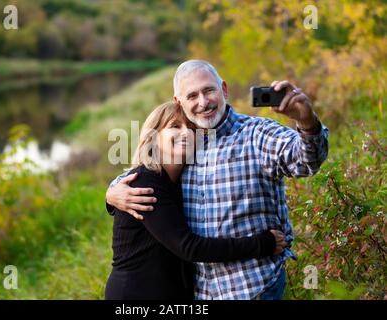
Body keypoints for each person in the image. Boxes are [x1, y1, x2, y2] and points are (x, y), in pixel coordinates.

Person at [106, 60, 329, 300]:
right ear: (178, 102)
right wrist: (111, 194)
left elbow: (305, 161)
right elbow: (143, 175)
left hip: (252, 288)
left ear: (223, 89)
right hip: (203, 293)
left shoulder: (256, 133)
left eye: (208, 90)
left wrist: (307, 122)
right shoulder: (189, 144)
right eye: (192, 95)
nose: (203, 102)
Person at [105, 101, 288, 300]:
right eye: (175, 126)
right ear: (153, 137)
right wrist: (262, 244)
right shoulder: (145, 182)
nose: (185, 133)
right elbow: (189, 247)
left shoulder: (182, 181)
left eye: (191, 128)